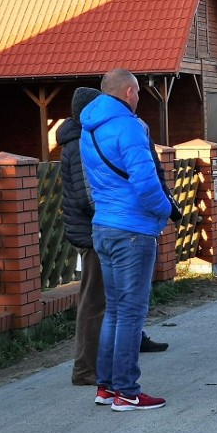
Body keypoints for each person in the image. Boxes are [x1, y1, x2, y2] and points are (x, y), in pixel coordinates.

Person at [57, 88, 173, 386]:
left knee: (114, 304)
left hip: (101, 227)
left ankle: (109, 372)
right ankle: (90, 371)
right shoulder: (83, 142)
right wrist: (156, 212)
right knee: (99, 304)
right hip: (103, 230)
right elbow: (91, 195)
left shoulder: (86, 137)